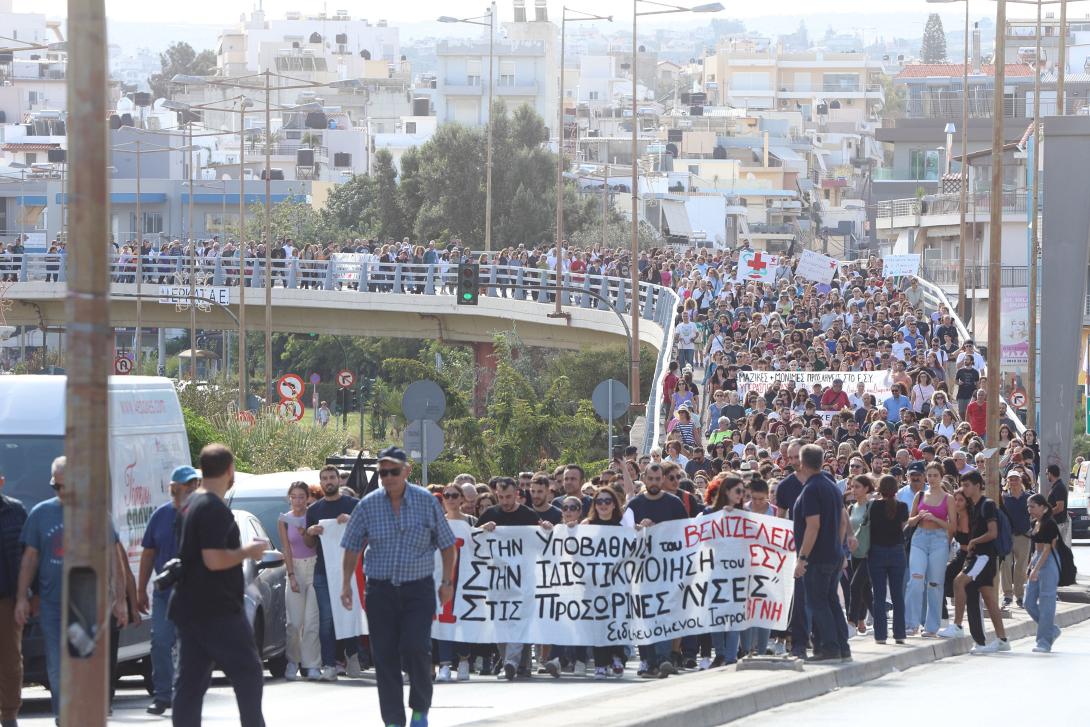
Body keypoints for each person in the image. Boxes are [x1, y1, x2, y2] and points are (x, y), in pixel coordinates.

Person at [340, 447, 456, 727]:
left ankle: (419, 709)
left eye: (393, 471)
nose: (388, 477)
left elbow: (447, 544)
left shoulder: (426, 501)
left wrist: (447, 582)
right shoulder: (367, 504)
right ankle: (393, 720)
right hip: (380, 591)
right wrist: (345, 584)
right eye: (383, 472)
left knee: (417, 648)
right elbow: (351, 546)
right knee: (384, 655)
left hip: (418, 589)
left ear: (406, 471)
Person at [15, 457, 128, 723]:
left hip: (88, 605)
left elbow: (114, 559)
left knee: (85, 662)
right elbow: (30, 559)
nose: (63, 493)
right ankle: (64, 715)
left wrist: (120, 600)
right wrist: (22, 597)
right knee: (56, 665)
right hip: (53, 605)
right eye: (58, 487)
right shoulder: (40, 515)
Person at [170, 445, 267, 727]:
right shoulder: (213, 508)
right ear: (230, 470)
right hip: (218, 609)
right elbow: (212, 559)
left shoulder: (188, 505)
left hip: (190, 608)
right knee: (248, 673)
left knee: (190, 684)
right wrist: (247, 551)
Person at [137, 465, 201, 715]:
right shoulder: (160, 515)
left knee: (191, 647)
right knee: (160, 643)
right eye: (184, 485)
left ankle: (187, 693)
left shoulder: (203, 514)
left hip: (196, 594)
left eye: (193, 484)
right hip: (166, 594)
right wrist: (141, 590)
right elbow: (148, 552)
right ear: (173, 488)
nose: (189, 489)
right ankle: (163, 695)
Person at [624, 464, 689, 677]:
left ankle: (663, 659)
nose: (653, 482)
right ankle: (647, 660)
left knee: (663, 613)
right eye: (649, 478)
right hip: (642, 571)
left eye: (657, 478)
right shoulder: (634, 504)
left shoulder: (674, 503)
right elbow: (622, 535)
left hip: (667, 570)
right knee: (645, 615)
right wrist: (637, 528)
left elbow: (684, 534)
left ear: (662, 479)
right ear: (644, 478)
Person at [478, 477, 544, 680]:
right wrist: (482, 530)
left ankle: (510, 662)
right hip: (497, 580)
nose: (505, 501)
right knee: (500, 621)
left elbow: (539, 542)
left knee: (518, 620)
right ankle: (507, 659)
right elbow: (474, 542)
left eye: (508, 497)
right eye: (501, 497)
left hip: (522, 579)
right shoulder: (490, 514)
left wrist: (545, 530)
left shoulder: (528, 515)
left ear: (516, 494)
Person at [792, 444, 851, 661]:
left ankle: (829, 647)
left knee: (818, 602)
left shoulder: (811, 489)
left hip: (818, 557)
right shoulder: (832, 487)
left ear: (802, 462)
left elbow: (813, 526)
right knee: (831, 601)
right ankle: (842, 647)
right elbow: (843, 520)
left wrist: (802, 557)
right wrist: (837, 546)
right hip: (833, 553)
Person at [940, 471, 1010, 653]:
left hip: (983, 556)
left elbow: (993, 532)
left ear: (978, 485)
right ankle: (1002, 639)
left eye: (968, 485)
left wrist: (974, 541)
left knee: (958, 582)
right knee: (988, 598)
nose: (965, 488)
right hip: (979, 556)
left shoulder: (987, 505)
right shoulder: (975, 506)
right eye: (963, 485)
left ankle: (957, 626)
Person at [303, 464, 360, 681]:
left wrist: (351, 521)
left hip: (351, 571)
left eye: (332, 477)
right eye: (324, 478)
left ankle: (352, 653)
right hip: (323, 571)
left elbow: (369, 531)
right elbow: (309, 543)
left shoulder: (354, 505)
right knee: (327, 620)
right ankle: (329, 664)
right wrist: (310, 531)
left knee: (349, 613)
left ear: (338, 480)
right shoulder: (314, 510)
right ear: (320, 482)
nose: (328, 481)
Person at [277, 482, 321, 682]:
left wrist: (306, 532)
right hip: (295, 568)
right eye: (294, 497)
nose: (298, 501)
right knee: (294, 622)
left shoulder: (312, 515)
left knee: (312, 621)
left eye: (301, 497)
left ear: (307, 498)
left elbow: (313, 544)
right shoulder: (284, 520)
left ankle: (312, 664)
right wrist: (291, 575)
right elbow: (286, 548)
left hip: (314, 566)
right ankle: (293, 661)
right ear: (289, 498)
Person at [904, 463, 952, 637]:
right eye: (929, 475)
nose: (931, 479)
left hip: (939, 540)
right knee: (915, 581)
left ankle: (932, 626)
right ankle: (911, 623)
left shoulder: (948, 498)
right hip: (919, 538)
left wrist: (936, 519)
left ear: (941, 477)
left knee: (934, 584)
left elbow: (951, 526)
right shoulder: (920, 495)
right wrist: (919, 517)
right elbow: (910, 521)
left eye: (935, 475)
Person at [435, 484, 476, 683]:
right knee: (443, 620)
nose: (450, 499)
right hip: (443, 579)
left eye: (454, 495)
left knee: (463, 620)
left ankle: (464, 660)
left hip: (466, 579)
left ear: (462, 499)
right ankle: (444, 664)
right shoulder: (437, 523)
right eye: (446, 495)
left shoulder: (472, 522)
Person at [0, 469, 27, 727]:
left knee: (9, 659)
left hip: (7, 599)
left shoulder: (16, 511)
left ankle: (8, 715)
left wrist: (26, 596)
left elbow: (28, 555)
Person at [1025, 493, 1062, 653]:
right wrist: (1031, 565)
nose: (1029, 509)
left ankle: (1044, 641)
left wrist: (1036, 569)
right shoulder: (1035, 522)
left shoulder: (1049, 523)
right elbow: (1036, 548)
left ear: (1043, 507)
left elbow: (1047, 549)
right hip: (1037, 560)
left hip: (1049, 562)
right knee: (1028, 602)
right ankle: (1051, 629)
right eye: (1028, 506)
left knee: (1047, 602)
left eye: (1032, 506)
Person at [1001, 470, 1032, 609]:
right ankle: (1007, 595)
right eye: (1011, 479)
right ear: (1007, 481)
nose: (1013, 482)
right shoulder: (1003, 498)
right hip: (1007, 536)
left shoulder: (1029, 497)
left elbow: (1037, 513)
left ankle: (1020, 595)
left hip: (1024, 536)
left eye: (1016, 479)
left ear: (1021, 481)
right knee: (1006, 565)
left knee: (1021, 566)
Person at [1045, 464, 1071, 546]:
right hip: (1055, 523)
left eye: (1046, 474)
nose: (1046, 476)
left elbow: (1060, 508)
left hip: (1058, 524)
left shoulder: (1059, 487)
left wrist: (1045, 514)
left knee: (1056, 550)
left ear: (1050, 473)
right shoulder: (1056, 486)